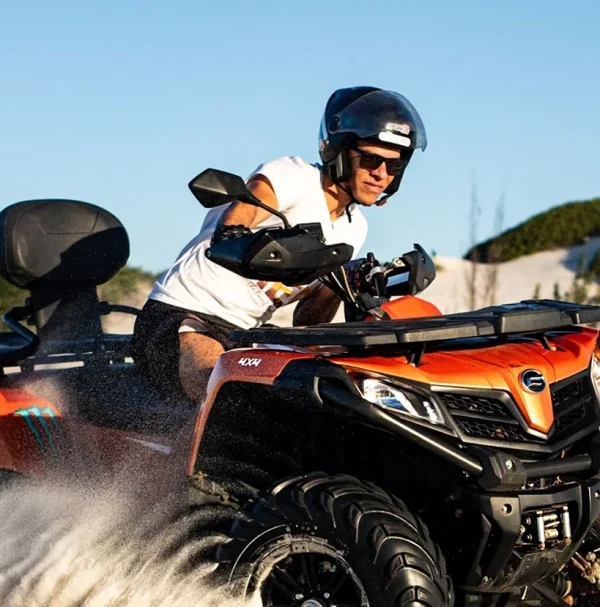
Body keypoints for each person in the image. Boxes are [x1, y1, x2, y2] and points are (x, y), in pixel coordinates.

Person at [132, 86, 427, 401]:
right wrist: (236, 231)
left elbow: (306, 321)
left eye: (393, 166)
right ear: (340, 153)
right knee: (221, 396)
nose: (382, 174)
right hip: (181, 315)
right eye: (371, 160)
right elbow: (242, 213)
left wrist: (339, 286)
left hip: (245, 338)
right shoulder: (295, 176)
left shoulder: (354, 230)